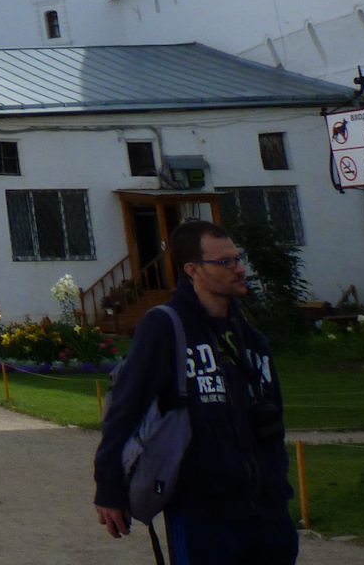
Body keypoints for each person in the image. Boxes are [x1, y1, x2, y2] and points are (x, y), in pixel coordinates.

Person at [94, 219, 296, 564]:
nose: (240, 268)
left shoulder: (253, 341)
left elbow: (273, 422)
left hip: (268, 511)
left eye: (238, 258)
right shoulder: (165, 328)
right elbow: (125, 410)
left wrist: (277, 484)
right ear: (193, 270)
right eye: (226, 262)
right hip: (203, 512)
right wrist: (110, 488)